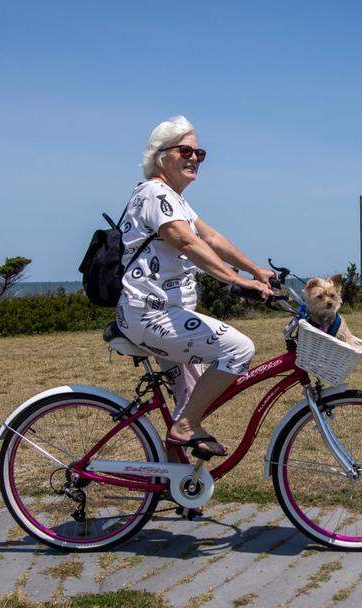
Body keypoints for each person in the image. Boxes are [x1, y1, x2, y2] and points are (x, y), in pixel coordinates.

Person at [114, 115, 273, 457]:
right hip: (152, 315)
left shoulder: (174, 198)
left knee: (189, 404)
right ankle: (185, 428)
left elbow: (210, 237)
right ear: (161, 156)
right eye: (186, 150)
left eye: (200, 153)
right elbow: (186, 242)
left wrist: (256, 270)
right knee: (239, 349)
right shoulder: (155, 194)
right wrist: (235, 280)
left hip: (167, 314)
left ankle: (178, 484)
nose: (194, 158)